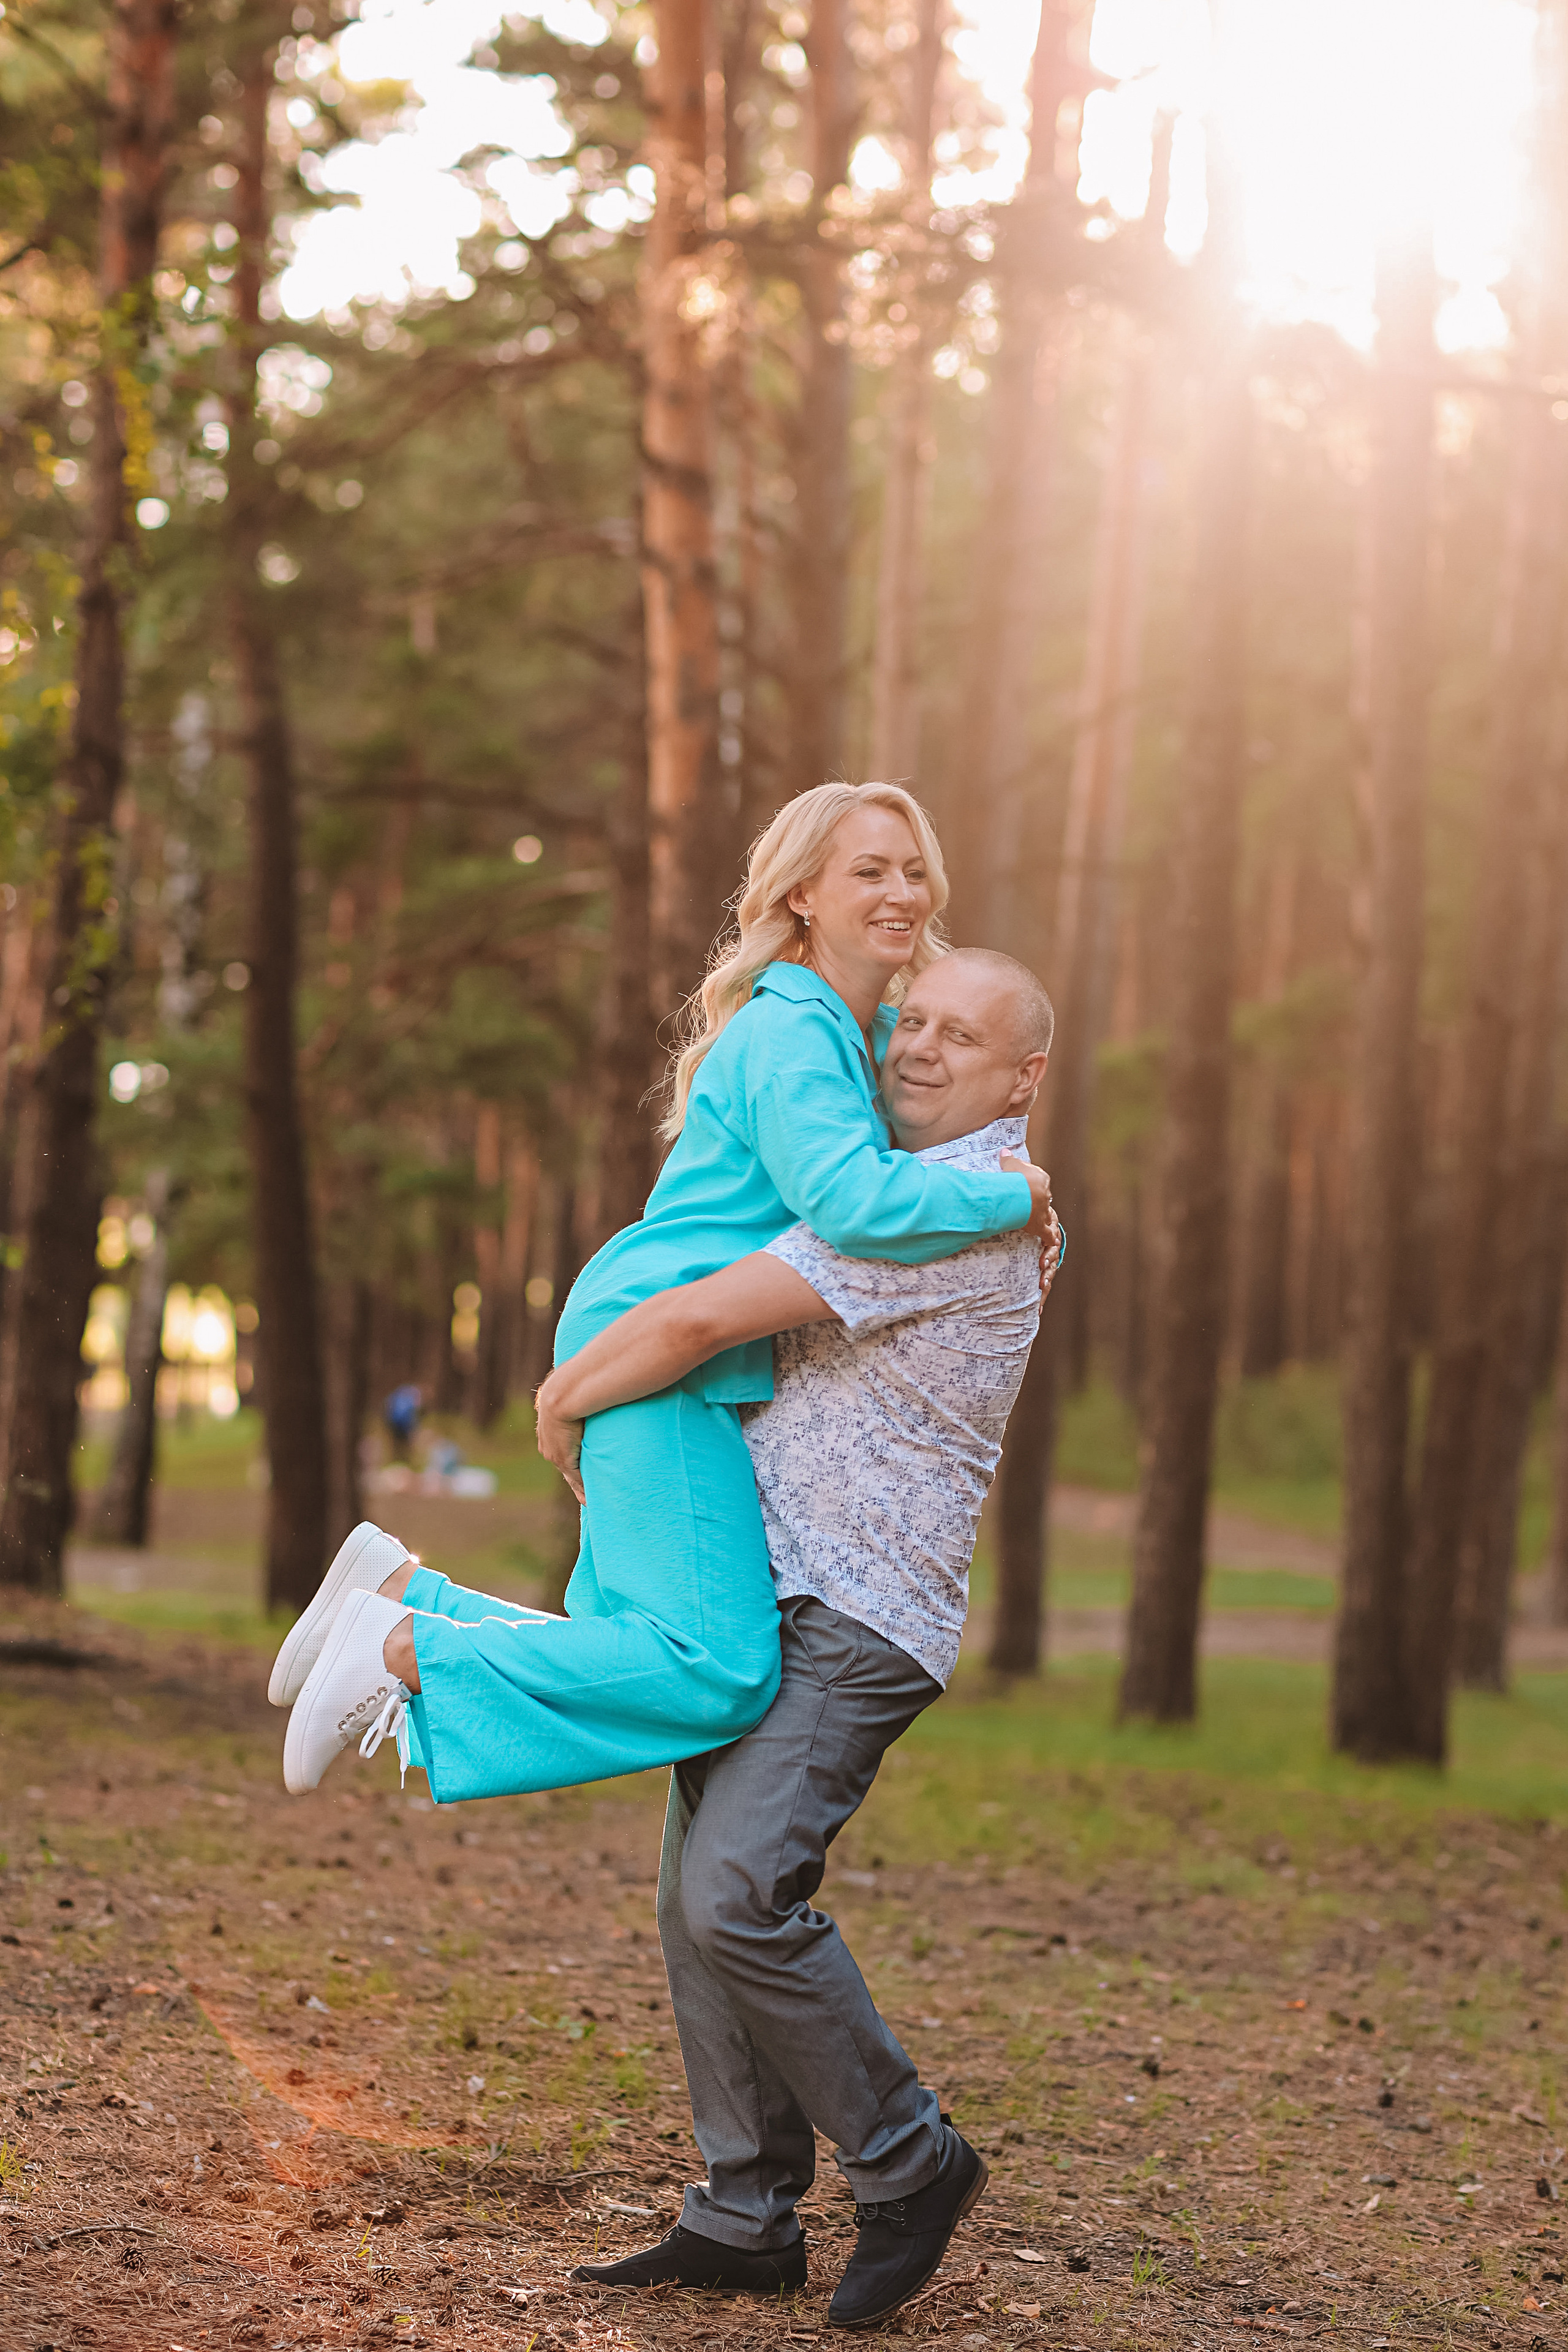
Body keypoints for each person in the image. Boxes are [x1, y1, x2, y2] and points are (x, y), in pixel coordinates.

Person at [269, 782, 1054, 1804]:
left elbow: (958, 1069)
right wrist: (1003, 1196)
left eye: (913, 869)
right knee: (716, 1670)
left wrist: (1021, 1190)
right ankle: (402, 1650)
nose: (902, 890)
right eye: (869, 870)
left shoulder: (854, 1026)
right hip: (663, 1344)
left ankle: (397, 1594)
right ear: (805, 893)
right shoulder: (793, 1032)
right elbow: (855, 1205)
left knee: (632, 1649)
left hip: (680, 1345)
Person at [541, 946, 1058, 2329]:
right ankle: (743, 2213)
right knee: (694, 1902)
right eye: (914, 1023)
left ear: (1025, 1078)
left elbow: (707, 1315)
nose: (921, 1048)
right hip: (770, 1596)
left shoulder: (949, 1206)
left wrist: (562, 1394)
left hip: (857, 1611)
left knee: (735, 1894)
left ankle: (909, 2162)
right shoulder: (899, 1191)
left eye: (964, 1037)